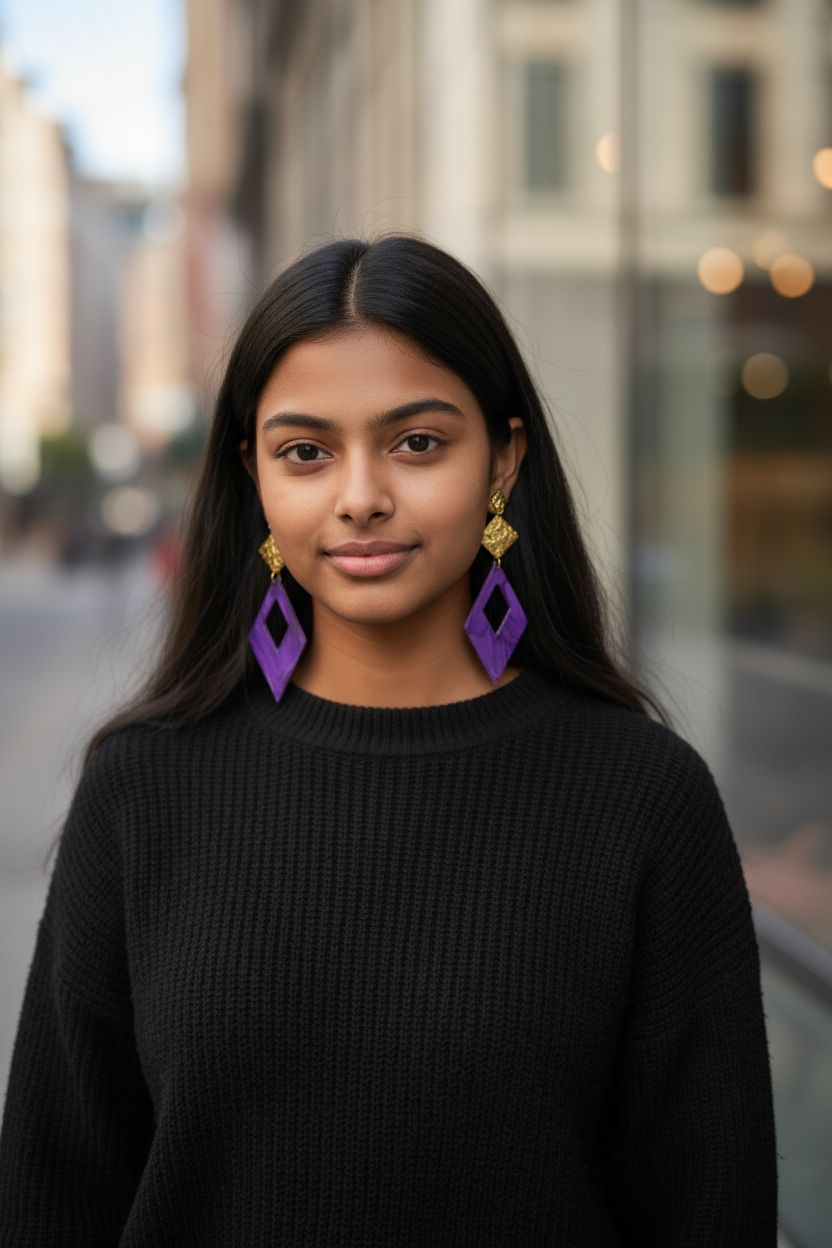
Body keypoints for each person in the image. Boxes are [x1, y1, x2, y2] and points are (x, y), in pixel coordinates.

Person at [0, 233, 778, 1246]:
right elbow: (51, 1198)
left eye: (416, 443)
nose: (359, 496)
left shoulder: (640, 799)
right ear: (255, 479)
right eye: (305, 452)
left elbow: (708, 1209)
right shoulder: (144, 790)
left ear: (503, 458)